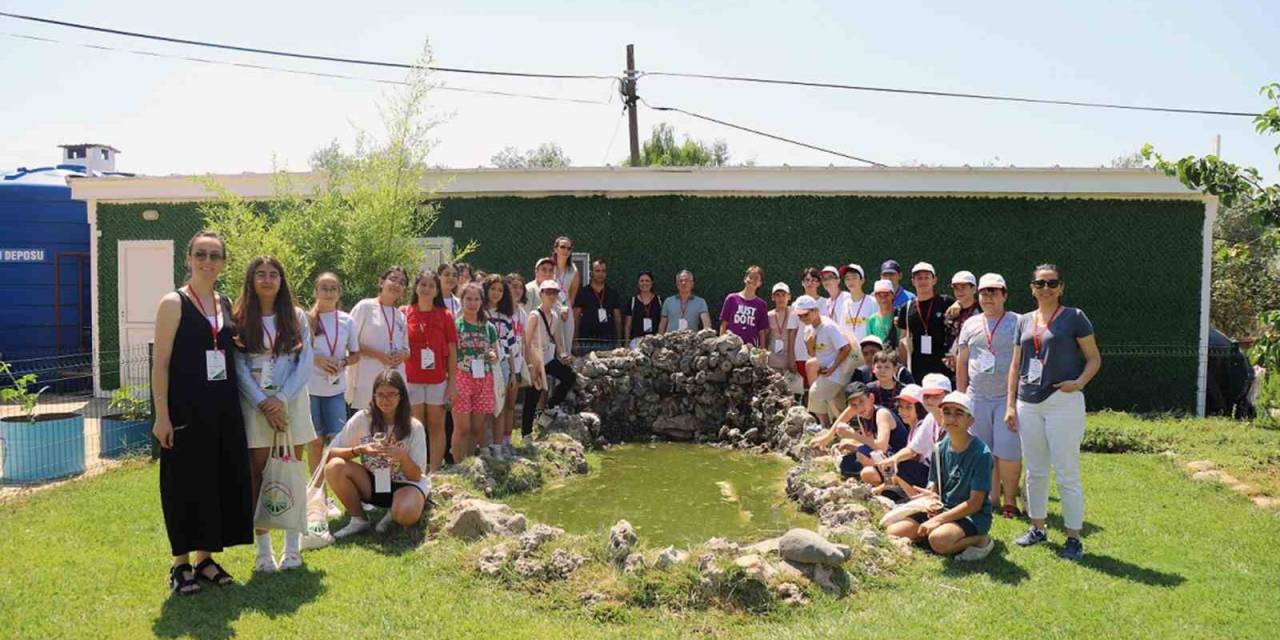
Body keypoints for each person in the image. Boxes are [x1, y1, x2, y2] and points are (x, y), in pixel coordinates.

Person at [152, 230, 252, 595]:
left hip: (223, 410)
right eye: (201, 254)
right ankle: (180, 565)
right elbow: (160, 363)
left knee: (215, 482)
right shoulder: (173, 303)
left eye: (214, 255)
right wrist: (161, 415)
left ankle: (205, 559)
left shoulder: (225, 303)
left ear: (223, 262)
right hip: (184, 411)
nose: (207, 261)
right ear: (189, 258)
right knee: (183, 484)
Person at [1006, 264, 1101, 562]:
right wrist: (1011, 404)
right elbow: (1015, 365)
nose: (1045, 288)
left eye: (1052, 283)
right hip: (1028, 402)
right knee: (1034, 470)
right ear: (1031, 288)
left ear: (1061, 287)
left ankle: (1073, 538)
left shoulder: (1075, 317)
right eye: (1040, 283)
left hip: (1063, 401)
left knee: (1066, 472)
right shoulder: (1023, 321)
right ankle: (1038, 528)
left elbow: (1094, 358)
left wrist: (1079, 383)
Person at [232, 256, 317, 573]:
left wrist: (280, 399)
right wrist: (263, 402)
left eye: (274, 274)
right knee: (259, 476)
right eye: (261, 274)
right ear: (251, 280)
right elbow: (238, 367)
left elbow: (305, 362)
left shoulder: (296, 317)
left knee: (291, 471)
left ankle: (292, 548)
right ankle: (263, 552)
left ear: (282, 281)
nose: (267, 279)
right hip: (256, 407)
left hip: (291, 404)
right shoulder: (240, 318)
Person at [884, 391, 995, 561]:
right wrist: (930, 495)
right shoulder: (939, 448)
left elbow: (975, 503)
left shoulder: (981, 454)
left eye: (959, 414)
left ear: (970, 420)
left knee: (938, 541)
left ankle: (981, 540)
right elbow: (934, 484)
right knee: (893, 531)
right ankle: (931, 533)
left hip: (971, 515)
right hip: (943, 508)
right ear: (941, 418)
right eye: (947, 413)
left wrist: (939, 519)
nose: (951, 418)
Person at [326, 369, 429, 538]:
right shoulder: (362, 418)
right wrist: (359, 450)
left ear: (400, 396)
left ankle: (394, 513)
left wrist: (402, 456)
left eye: (391, 394)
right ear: (373, 396)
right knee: (334, 467)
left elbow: (417, 476)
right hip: (373, 482)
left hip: (404, 484)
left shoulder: (414, 426)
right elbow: (329, 454)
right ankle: (359, 519)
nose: (385, 400)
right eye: (380, 395)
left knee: (406, 514)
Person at [955, 273, 1021, 517]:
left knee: (1009, 450)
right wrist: (961, 398)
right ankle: (991, 499)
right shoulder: (970, 324)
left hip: (1007, 398)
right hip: (977, 397)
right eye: (984, 292)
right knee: (984, 451)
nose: (988, 297)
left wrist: (1015, 400)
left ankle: (1010, 501)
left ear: (1004, 295)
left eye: (993, 292)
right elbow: (961, 363)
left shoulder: (1018, 322)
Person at [306, 272, 361, 510]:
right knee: (315, 442)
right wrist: (317, 360)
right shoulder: (306, 319)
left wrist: (345, 363)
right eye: (324, 288)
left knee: (336, 443)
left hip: (336, 389)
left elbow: (356, 354)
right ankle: (319, 496)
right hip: (310, 388)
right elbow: (296, 351)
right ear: (316, 292)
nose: (328, 292)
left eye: (333, 288)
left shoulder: (347, 320)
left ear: (339, 293)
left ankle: (344, 493)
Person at [404, 269, 457, 473]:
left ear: (437, 291)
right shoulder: (404, 312)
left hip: (437, 380)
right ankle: (416, 469)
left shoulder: (445, 316)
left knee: (437, 425)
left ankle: (434, 471)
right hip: (412, 379)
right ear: (416, 287)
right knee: (416, 426)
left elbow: (452, 352)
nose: (426, 289)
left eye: (431, 286)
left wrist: (452, 384)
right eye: (423, 284)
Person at [809, 381, 908, 485]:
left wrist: (853, 435)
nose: (859, 407)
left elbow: (881, 446)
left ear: (871, 398)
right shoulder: (861, 414)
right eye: (854, 405)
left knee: (865, 466)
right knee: (846, 461)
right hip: (883, 456)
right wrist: (828, 437)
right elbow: (845, 417)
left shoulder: (881, 414)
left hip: (900, 461)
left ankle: (891, 482)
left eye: (861, 401)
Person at [879, 373, 951, 493]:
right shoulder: (930, 418)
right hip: (934, 473)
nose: (929, 400)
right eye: (926, 396)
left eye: (935, 396)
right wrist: (894, 459)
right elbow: (913, 449)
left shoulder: (953, 421)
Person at [452, 282, 500, 463]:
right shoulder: (456, 326)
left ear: (482, 301)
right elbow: (450, 354)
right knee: (462, 427)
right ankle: (458, 465)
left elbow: (496, 353)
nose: (472, 303)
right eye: (468, 299)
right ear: (462, 300)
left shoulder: (489, 327)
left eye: (476, 299)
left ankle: (470, 462)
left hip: (484, 378)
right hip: (462, 378)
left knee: (477, 427)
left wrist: (493, 355)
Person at [349, 267, 410, 409]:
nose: (397, 284)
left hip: (394, 381)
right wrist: (377, 355)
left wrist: (402, 355)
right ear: (381, 282)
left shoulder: (400, 315)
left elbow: (407, 349)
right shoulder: (365, 307)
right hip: (367, 379)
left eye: (402, 282)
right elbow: (349, 341)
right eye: (393, 279)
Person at [523, 280, 577, 432]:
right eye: (548, 292)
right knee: (532, 397)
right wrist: (530, 365)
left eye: (554, 292)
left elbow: (557, 339)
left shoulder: (554, 315)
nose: (552, 295)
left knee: (569, 376)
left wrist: (563, 354)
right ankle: (526, 433)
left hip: (548, 357)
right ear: (541, 294)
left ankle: (550, 406)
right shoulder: (534, 315)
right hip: (535, 359)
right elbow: (526, 342)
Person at [795, 294, 852, 426]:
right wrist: (809, 345)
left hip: (838, 372)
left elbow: (846, 348)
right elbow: (813, 353)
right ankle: (833, 429)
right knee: (836, 406)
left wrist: (832, 368)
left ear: (815, 311)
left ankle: (824, 426)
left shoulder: (828, 327)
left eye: (806, 314)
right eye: (800, 316)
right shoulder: (809, 329)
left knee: (815, 393)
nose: (803, 318)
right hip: (826, 372)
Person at [897, 262, 954, 380]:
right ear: (913, 281)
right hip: (916, 370)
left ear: (934, 280)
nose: (922, 281)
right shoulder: (906, 308)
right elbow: (902, 341)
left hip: (944, 368)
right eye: (919, 278)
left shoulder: (946, 303)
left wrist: (959, 303)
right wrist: (903, 368)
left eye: (926, 277)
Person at [484, 274, 520, 458]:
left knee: (500, 406)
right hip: (483, 365)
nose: (496, 293)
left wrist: (514, 373)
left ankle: (498, 446)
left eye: (500, 290)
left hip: (503, 365)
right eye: (492, 289)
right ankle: (485, 444)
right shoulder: (479, 313)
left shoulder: (506, 317)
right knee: (484, 406)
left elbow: (512, 347)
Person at [573, 259, 623, 353]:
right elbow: (576, 318)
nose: (600, 274)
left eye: (603, 271)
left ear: (606, 273)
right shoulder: (582, 293)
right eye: (597, 271)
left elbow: (618, 319)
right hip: (586, 343)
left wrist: (619, 341)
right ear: (591, 273)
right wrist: (575, 341)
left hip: (607, 343)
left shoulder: (612, 294)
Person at [504, 272, 529, 447]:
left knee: (511, 404)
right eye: (514, 286)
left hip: (518, 363)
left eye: (520, 287)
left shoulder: (522, 313)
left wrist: (528, 363)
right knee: (497, 404)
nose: (518, 290)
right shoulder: (500, 311)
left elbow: (526, 340)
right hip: (502, 362)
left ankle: (507, 439)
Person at [719, 265, 770, 348]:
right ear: (745, 279)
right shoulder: (731, 298)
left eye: (756, 278)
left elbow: (762, 330)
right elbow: (724, 323)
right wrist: (720, 345)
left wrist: (762, 350)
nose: (753, 280)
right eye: (750, 277)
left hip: (751, 349)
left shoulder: (761, 305)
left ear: (760, 283)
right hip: (731, 348)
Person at [944, 270, 981, 373]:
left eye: (963, 287)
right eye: (956, 288)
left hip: (975, 366)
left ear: (973, 289)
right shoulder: (950, 312)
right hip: (952, 368)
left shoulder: (983, 311)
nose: (959, 291)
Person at [793, 268, 823, 389]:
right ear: (802, 282)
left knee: (818, 389)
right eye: (807, 280)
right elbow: (792, 331)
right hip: (800, 354)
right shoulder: (795, 304)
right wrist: (791, 357)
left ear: (819, 283)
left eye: (814, 280)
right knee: (803, 391)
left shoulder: (826, 303)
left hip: (821, 355)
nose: (810, 283)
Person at [766, 282, 799, 384]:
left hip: (789, 361)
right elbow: (766, 337)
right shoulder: (768, 315)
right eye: (777, 295)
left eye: (783, 295)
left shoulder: (795, 314)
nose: (781, 298)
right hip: (772, 362)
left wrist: (792, 361)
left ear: (789, 297)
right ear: (773, 297)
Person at [551, 236, 580, 347]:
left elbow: (572, 296)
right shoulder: (548, 266)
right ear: (555, 249)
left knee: (566, 343)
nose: (566, 251)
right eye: (562, 247)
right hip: (550, 306)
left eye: (569, 248)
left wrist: (565, 308)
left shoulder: (574, 270)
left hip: (566, 309)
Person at [624, 270, 662, 348]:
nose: (644, 283)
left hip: (654, 342)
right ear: (638, 283)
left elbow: (662, 323)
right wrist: (626, 343)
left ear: (652, 283)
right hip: (636, 342)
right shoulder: (632, 301)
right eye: (642, 281)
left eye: (647, 281)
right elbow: (628, 325)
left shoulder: (659, 300)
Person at [840, 264, 875, 342]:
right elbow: (842, 330)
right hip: (850, 352)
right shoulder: (844, 304)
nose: (850, 281)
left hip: (868, 350)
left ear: (862, 280)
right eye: (847, 278)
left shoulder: (872, 302)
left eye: (854, 278)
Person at [866, 279, 901, 350]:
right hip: (879, 359)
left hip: (898, 359)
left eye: (886, 294)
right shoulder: (871, 320)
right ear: (875, 297)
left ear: (892, 295)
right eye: (879, 295)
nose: (883, 298)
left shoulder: (901, 316)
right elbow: (869, 346)